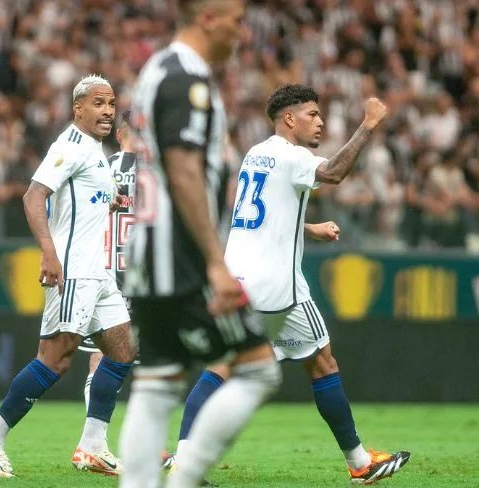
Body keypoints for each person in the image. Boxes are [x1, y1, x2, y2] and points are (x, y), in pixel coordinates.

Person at [166, 84, 410, 485]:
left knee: (223, 367)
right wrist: (367, 126)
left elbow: (267, 213)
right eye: (313, 114)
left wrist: (308, 228)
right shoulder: (294, 156)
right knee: (322, 361)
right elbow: (332, 173)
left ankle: (184, 462)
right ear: (289, 118)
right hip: (278, 287)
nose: (321, 122)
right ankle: (360, 463)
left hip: (236, 278)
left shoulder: (256, 153)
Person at [117, 2, 283, 487]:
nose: (242, 32)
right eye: (235, 20)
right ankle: (184, 480)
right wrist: (216, 260)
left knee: (156, 386)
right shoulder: (185, 78)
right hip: (182, 254)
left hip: (148, 254)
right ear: (208, 17)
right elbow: (183, 168)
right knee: (257, 370)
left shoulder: (158, 69)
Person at [0, 75, 137, 478]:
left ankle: (93, 446)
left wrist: (108, 202)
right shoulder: (69, 146)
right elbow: (33, 196)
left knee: (122, 351)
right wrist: (48, 252)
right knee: (54, 360)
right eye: (98, 103)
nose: (108, 111)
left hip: (97, 272)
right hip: (74, 268)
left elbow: (82, 199)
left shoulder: (97, 151)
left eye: (112, 104)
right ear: (77, 108)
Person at [80, 110, 136, 410]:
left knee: (99, 356)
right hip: (142, 277)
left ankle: (93, 434)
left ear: (118, 134)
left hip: (100, 273)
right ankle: (148, 444)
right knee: (149, 365)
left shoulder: (98, 167)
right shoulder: (156, 173)